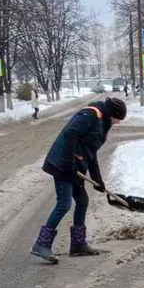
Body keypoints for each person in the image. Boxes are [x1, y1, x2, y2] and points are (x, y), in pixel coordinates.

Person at [31, 97, 127, 263]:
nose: (117, 123)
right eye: (117, 119)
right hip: (62, 164)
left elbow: (91, 152)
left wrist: (98, 180)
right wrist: (69, 163)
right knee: (64, 204)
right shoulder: (90, 115)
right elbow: (69, 134)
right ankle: (41, 244)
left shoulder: (102, 123)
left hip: (75, 166)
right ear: (112, 113)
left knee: (82, 200)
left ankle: (78, 244)